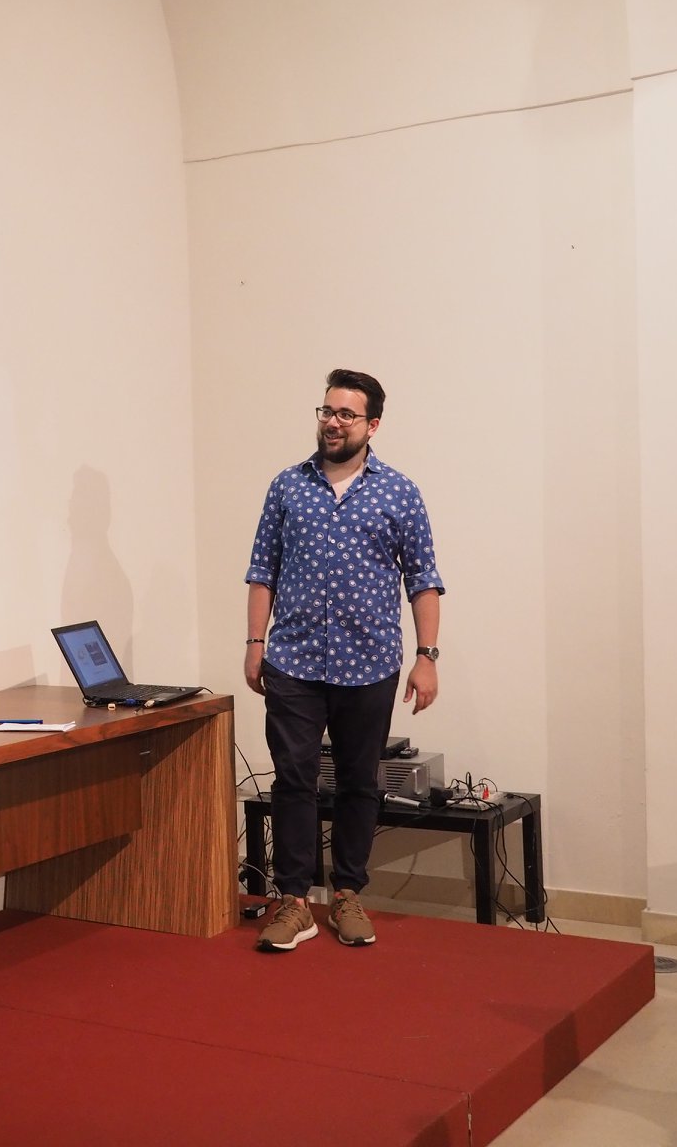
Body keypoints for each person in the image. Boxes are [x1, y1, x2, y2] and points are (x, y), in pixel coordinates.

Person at [245, 368, 444, 950]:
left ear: (372, 425)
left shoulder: (399, 492)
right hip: (294, 661)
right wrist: (255, 644)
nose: (333, 422)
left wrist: (427, 656)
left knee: (359, 783)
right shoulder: (287, 486)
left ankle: (348, 894)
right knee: (293, 781)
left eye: (346, 414)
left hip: (370, 663)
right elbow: (262, 571)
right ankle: (294, 902)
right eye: (327, 411)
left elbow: (423, 580)